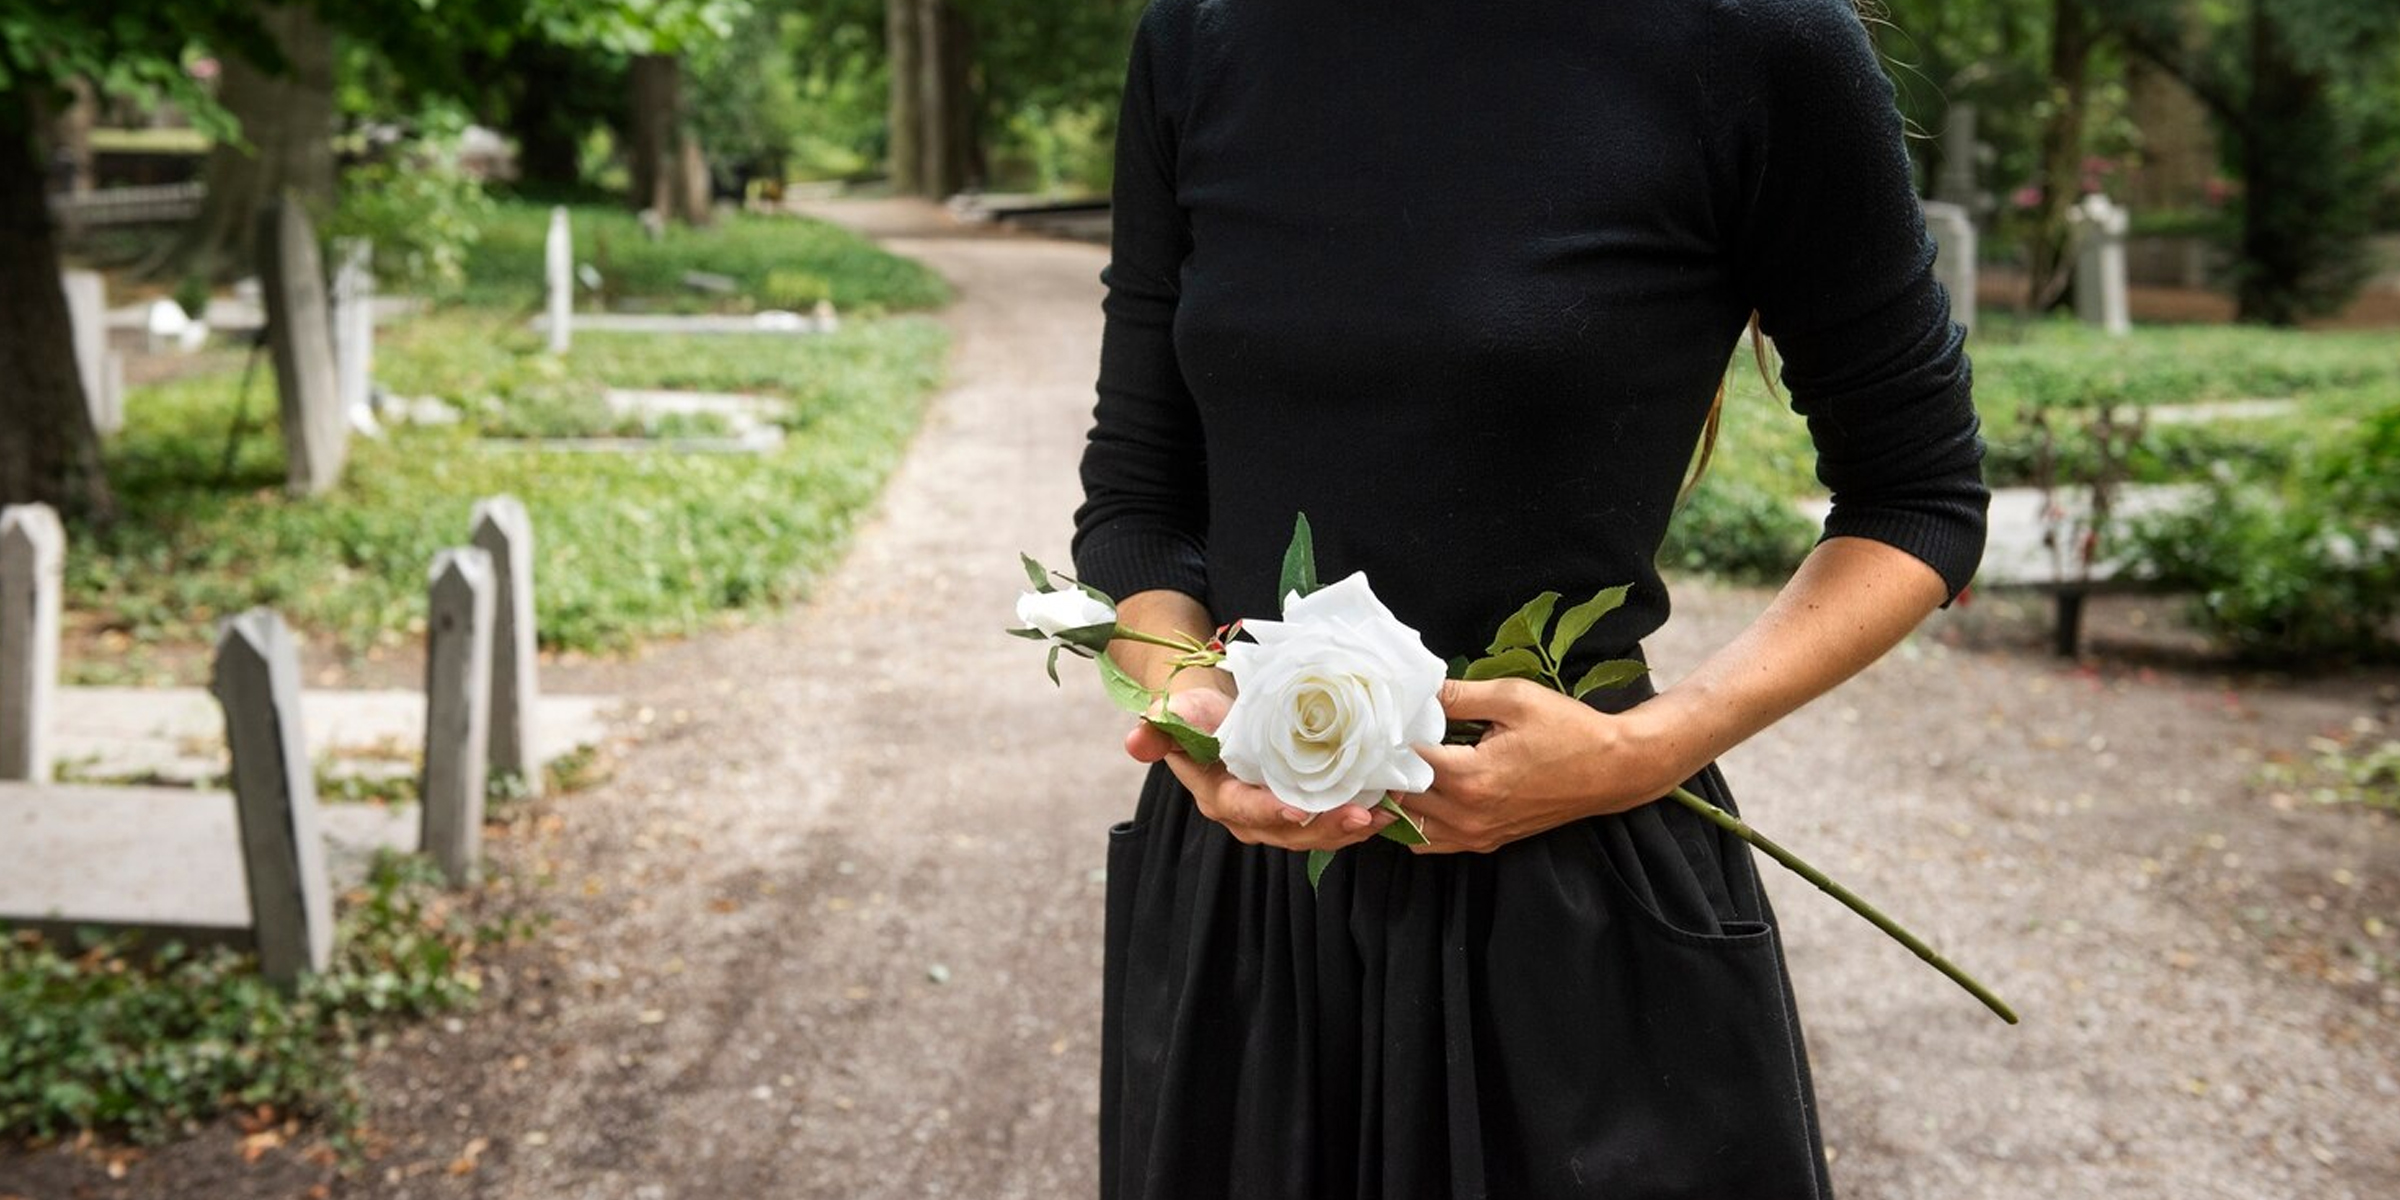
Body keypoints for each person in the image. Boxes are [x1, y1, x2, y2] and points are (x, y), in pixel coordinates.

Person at [1069, 0, 1989, 1195]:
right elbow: (1137, 498)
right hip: (1250, 920)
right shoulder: (1202, 38)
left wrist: (1648, 749)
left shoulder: (1758, 43)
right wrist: (1186, 695)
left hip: (1572, 916)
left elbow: (1919, 497)